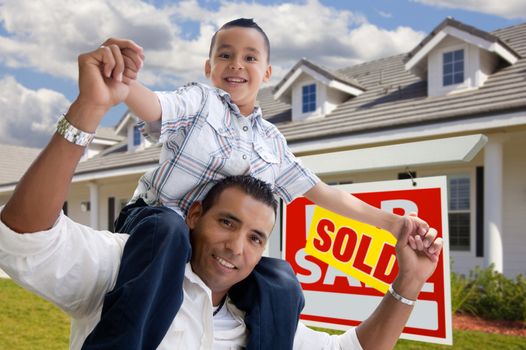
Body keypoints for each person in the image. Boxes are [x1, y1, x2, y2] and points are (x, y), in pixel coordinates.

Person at [0, 21, 442, 349]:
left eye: (250, 57)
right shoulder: (200, 103)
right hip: (153, 227)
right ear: (210, 67)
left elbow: (322, 193)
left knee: (281, 278)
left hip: (196, 241)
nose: (237, 64)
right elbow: (153, 105)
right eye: (226, 55)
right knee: (170, 231)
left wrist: (394, 224)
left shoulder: (272, 143)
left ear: (267, 73)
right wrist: (117, 88)